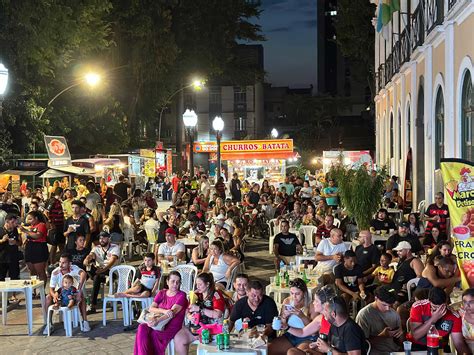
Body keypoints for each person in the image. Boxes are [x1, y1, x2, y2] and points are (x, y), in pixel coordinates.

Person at [133, 270, 188, 355]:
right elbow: (151, 308)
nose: (175, 284)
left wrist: (157, 321)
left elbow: (172, 313)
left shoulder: (181, 295)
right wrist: (164, 311)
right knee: (142, 328)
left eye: (178, 282)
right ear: (167, 282)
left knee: (154, 333)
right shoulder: (162, 293)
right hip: (158, 322)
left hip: (170, 326)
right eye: (172, 281)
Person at [174, 272, 227, 354]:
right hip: (196, 327)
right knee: (178, 337)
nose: (197, 287)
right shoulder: (197, 294)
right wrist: (188, 316)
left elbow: (218, 314)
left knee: (205, 345)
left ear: (207, 284)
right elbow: (187, 309)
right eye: (196, 284)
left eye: (200, 284)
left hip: (212, 328)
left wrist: (200, 309)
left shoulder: (216, 294)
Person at [409, 287, 470, 353]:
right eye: (435, 308)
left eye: (442, 307)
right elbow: (415, 336)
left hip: (439, 349)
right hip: (417, 347)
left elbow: (459, 343)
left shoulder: (454, 316)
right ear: (429, 301)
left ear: (446, 303)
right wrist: (434, 318)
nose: (439, 311)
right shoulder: (418, 307)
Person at [268, 278, 317, 355]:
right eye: (291, 293)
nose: (294, 296)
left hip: (306, 338)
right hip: (290, 335)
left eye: (297, 294)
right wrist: (284, 317)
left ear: (304, 293)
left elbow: (314, 331)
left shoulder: (311, 304)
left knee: (293, 353)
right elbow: (282, 325)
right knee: (268, 349)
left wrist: (302, 316)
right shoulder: (287, 301)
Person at [44, 253, 89, 333]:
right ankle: (49, 324)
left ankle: (85, 321)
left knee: (81, 295)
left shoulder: (73, 268)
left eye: (64, 262)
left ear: (69, 264)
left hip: (72, 294)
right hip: (60, 294)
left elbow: (83, 274)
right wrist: (54, 295)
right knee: (48, 298)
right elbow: (51, 289)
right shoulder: (55, 272)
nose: (61, 265)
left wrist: (79, 290)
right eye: (60, 262)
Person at [286, 285, 337, 355]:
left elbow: (332, 347)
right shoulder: (320, 318)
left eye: (316, 301)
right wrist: (286, 327)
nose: (313, 303)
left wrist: (328, 349)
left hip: (331, 352)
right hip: (324, 350)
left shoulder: (336, 320)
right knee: (292, 352)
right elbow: (302, 332)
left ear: (325, 304)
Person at [356, 285, 403, 354]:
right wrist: (382, 336)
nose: (387, 309)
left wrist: (400, 333)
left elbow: (400, 341)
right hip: (374, 352)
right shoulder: (364, 315)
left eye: (390, 306)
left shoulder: (394, 313)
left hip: (393, 350)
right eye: (384, 305)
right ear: (376, 298)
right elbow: (362, 344)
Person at [83, 231, 120, 313]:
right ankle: (92, 304)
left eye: (103, 238)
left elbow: (112, 261)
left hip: (111, 271)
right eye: (100, 238)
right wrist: (87, 259)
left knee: (96, 277)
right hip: (100, 272)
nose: (101, 240)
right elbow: (91, 255)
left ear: (109, 238)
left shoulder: (115, 247)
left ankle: (93, 305)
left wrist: (103, 270)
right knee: (88, 267)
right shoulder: (97, 248)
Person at [20, 211, 49, 284]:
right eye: (27, 219)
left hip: (39, 248)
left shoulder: (41, 225)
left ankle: (41, 292)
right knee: (32, 271)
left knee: (40, 271)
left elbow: (38, 235)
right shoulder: (31, 227)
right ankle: (33, 291)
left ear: (36, 218)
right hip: (30, 248)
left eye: (30, 219)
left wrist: (26, 231)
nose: (28, 221)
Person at [44, 187, 65, 264]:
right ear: (62, 193)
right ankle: (52, 263)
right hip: (55, 226)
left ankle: (63, 262)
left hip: (60, 225)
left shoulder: (58, 201)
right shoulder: (53, 201)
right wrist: (51, 223)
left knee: (61, 244)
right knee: (54, 245)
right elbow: (46, 212)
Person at [0, 214, 22, 282]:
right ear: (6, 221)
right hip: (2, 259)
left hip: (14, 258)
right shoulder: (0, 230)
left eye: (15, 222)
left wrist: (15, 242)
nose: (14, 224)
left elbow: (20, 243)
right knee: (1, 279)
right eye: (12, 222)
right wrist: (2, 240)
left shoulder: (16, 230)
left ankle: (14, 293)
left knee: (15, 279)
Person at [461, 288, 474, 353]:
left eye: (471, 302)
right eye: (465, 302)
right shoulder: (460, 316)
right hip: (464, 350)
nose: (467, 305)